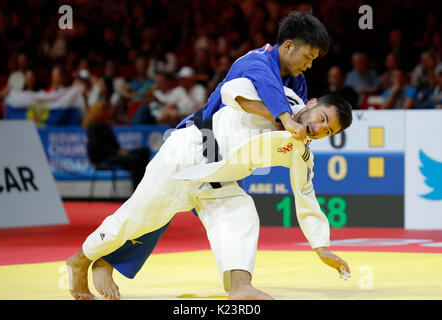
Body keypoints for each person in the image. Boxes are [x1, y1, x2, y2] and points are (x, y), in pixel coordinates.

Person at [67, 12, 348, 300]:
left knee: (241, 214)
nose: (310, 64)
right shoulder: (256, 62)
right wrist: (283, 118)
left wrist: (321, 245)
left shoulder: (297, 98)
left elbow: (305, 190)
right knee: (139, 219)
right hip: (192, 148)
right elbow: (232, 91)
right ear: (288, 46)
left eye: (328, 131)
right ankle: (82, 259)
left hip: (220, 172)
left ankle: (240, 287)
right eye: (308, 55)